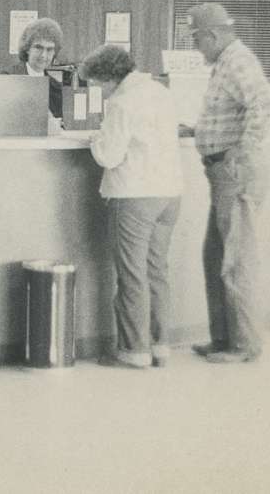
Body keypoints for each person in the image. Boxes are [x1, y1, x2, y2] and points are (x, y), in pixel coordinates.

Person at [183, 3, 270, 364]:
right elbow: (234, 111)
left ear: (211, 34)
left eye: (196, 39)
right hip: (221, 172)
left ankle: (245, 345)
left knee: (237, 260)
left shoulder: (238, 60)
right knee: (215, 255)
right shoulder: (224, 63)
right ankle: (222, 338)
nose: (196, 48)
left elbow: (266, 106)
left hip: (234, 172)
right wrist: (200, 132)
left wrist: (242, 150)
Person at [80, 45, 182, 369]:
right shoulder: (160, 91)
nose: (97, 89)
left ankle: (133, 351)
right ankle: (160, 347)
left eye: (97, 82)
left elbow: (109, 156)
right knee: (156, 272)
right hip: (169, 194)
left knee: (131, 275)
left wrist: (96, 139)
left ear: (110, 77)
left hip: (135, 194)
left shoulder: (122, 103)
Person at [4, 17, 65, 123]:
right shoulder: (8, 78)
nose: (44, 55)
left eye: (49, 49)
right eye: (38, 48)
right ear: (27, 48)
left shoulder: (56, 88)